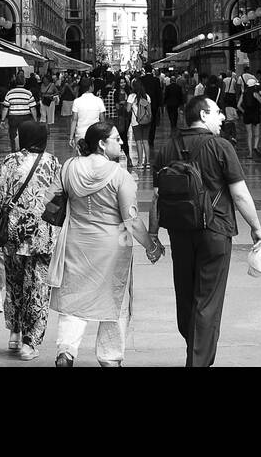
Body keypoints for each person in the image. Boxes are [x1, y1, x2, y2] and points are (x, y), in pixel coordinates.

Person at [151, 96, 261, 368]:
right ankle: (198, 361)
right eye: (216, 113)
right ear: (203, 115)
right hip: (215, 230)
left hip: (179, 231)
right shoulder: (221, 146)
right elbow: (239, 194)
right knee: (208, 300)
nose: (222, 117)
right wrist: (256, 227)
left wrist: (153, 235)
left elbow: (157, 197)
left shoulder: (167, 148)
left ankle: (195, 349)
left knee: (186, 294)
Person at [50, 121, 163, 367]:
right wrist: (151, 246)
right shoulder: (120, 175)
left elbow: (51, 200)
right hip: (113, 247)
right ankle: (110, 357)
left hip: (76, 242)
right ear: (102, 144)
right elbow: (131, 221)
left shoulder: (68, 166)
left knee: (73, 299)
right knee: (114, 301)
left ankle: (66, 352)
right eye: (116, 139)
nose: (121, 142)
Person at [0, 119, 61, 359]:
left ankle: (14, 334)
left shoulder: (10, 161)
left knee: (14, 285)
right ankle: (30, 343)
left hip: (13, 234)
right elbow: (59, 199)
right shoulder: (54, 163)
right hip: (42, 236)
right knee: (38, 288)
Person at [69, 75, 106, 153]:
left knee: (81, 160)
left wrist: (71, 137)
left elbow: (74, 120)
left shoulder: (77, 101)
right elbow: (102, 120)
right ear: (91, 87)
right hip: (95, 134)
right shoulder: (98, 100)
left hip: (80, 135)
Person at [1, 72, 37, 151]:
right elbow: (33, 108)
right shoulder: (28, 93)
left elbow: (5, 108)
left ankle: (14, 153)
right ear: (24, 82)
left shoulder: (9, 93)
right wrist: (35, 120)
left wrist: (2, 120)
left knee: (13, 136)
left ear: (15, 82)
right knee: (26, 136)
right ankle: (24, 152)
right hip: (26, 117)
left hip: (13, 117)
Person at [127, 78, 153, 169]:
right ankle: (148, 162)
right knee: (145, 141)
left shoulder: (131, 96)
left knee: (138, 142)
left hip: (136, 122)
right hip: (146, 121)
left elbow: (128, 109)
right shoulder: (147, 96)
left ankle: (140, 163)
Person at [237, 70, 261, 158]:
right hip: (255, 114)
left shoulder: (244, 93)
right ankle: (255, 146)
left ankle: (250, 153)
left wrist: (244, 111)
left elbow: (238, 106)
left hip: (247, 114)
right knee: (257, 133)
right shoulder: (255, 93)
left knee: (249, 134)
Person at [141, 66, 162, 150]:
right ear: (152, 71)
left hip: (143, 104)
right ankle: (151, 139)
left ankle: (145, 137)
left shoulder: (141, 79)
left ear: (145, 70)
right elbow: (159, 92)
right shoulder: (156, 80)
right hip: (154, 105)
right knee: (152, 122)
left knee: (144, 119)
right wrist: (160, 104)